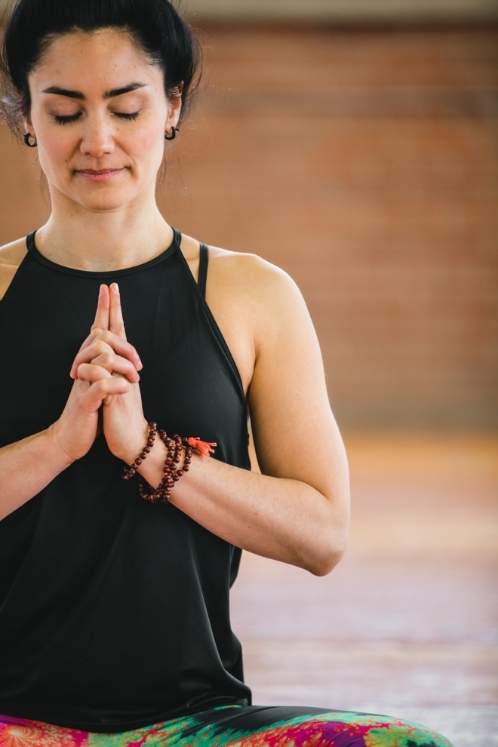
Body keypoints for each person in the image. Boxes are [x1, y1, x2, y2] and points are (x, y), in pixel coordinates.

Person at [0, 1, 454, 745]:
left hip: (194, 726)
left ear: (172, 105)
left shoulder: (252, 295)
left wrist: (146, 449)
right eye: (65, 111)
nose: (99, 140)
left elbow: (322, 533)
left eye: (126, 107)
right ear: (25, 116)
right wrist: (58, 444)